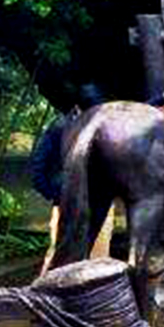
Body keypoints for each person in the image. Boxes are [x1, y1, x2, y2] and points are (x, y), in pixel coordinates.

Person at [33, 84, 106, 272]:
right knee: (59, 252)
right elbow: (38, 163)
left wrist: (161, 98)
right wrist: (53, 194)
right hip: (65, 200)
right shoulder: (59, 127)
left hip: (96, 201)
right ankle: (46, 292)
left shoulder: (100, 127)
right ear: (79, 107)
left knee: (98, 256)